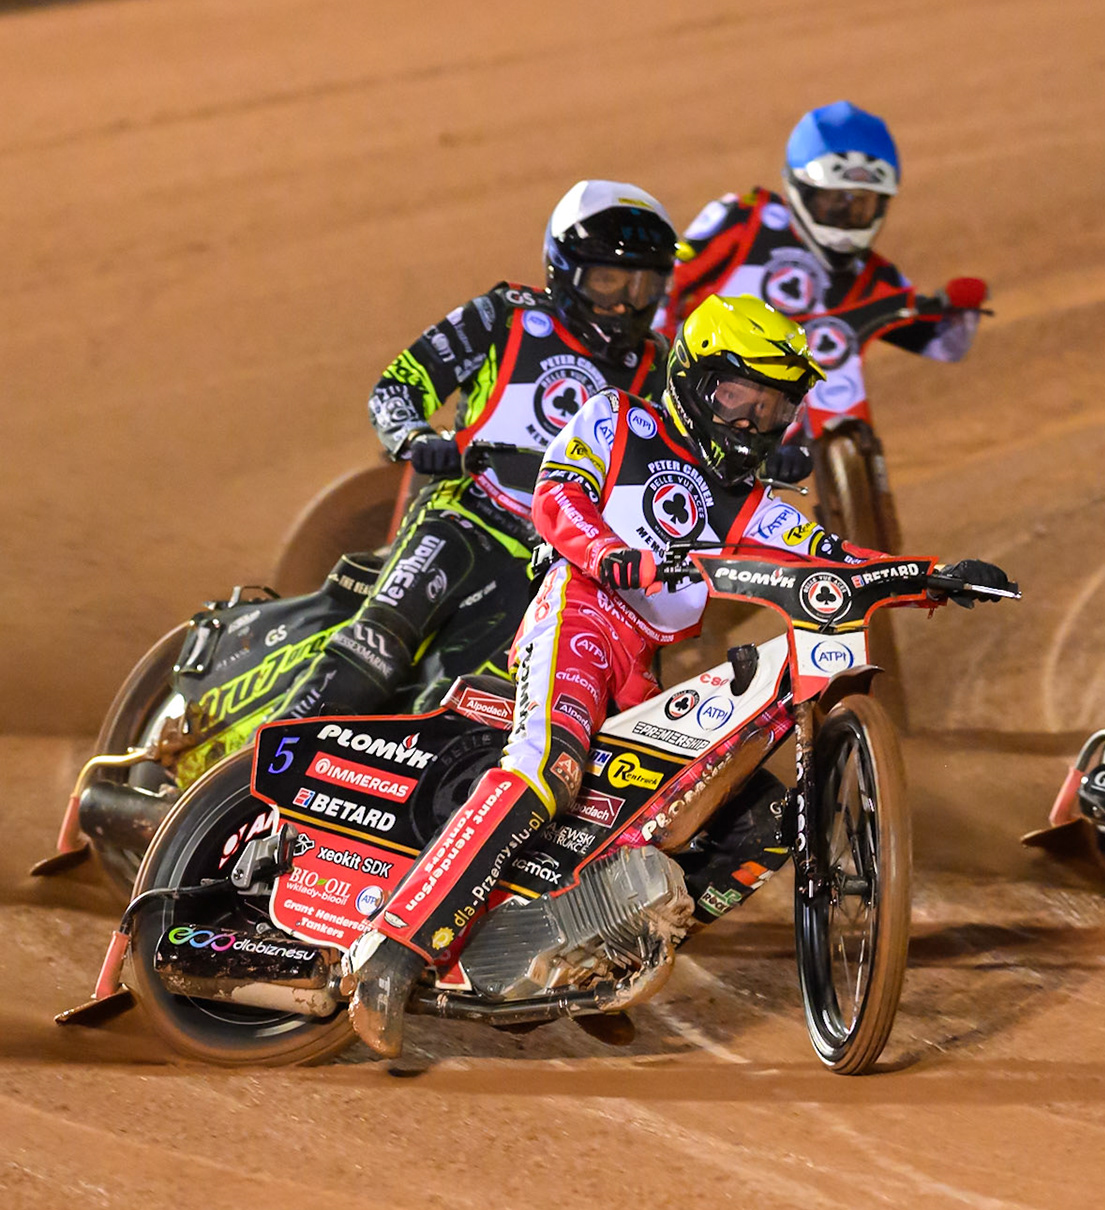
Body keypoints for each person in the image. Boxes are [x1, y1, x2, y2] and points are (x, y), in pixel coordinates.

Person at [342, 295, 1011, 1056]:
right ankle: (392, 951)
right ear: (693, 380)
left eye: (773, 407)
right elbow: (559, 497)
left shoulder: (756, 503)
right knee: (548, 768)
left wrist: (934, 576)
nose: (753, 422)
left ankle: (601, 955)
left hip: (640, 663)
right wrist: (606, 555)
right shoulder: (617, 420)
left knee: (759, 821)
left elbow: (834, 556)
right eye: (738, 397)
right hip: (581, 612)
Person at [275, 180, 679, 722]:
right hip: (466, 515)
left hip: (553, 566)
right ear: (565, 269)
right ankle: (256, 767)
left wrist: (760, 464)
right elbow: (400, 385)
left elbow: (680, 458)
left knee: (471, 706)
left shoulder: (658, 366)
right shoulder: (505, 317)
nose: (627, 302)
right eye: (608, 280)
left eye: (643, 284)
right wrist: (416, 438)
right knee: (380, 645)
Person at [663, 101, 989, 445]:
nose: (845, 216)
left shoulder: (871, 276)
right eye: (834, 202)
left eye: (860, 204)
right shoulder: (743, 220)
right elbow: (668, 284)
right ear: (801, 188)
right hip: (697, 400)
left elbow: (942, 345)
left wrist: (961, 312)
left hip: (800, 419)